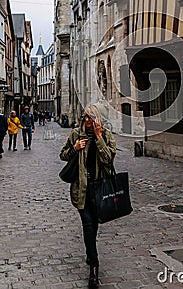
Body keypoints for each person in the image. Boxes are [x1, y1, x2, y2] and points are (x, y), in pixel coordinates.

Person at [60, 103, 116, 288]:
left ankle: (90, 252)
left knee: (94, 226)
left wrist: (99, 138)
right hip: (81, 190)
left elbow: (108, 159)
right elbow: (63, 155)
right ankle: (94, 267)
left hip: (99, 190)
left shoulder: (107, 136)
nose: (87, 120)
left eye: (91, 117)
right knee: (88, 226)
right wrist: (75, 148)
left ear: (99, 119)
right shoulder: (77, 134)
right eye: (85, 116)